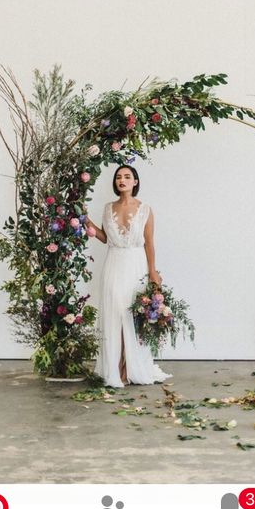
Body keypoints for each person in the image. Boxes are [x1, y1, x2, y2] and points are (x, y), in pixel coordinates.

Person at [86, 165, 172, 388]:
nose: (121, 180)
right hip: (114, 263)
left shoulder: (145, 209)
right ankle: (114, 367)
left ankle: (129, 366)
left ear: (135, 181)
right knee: (114, 312)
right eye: (118, 177)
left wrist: (153, 272)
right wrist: (88, 223)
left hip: (136, 265)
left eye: (126, 177)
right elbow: (106, 238)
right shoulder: (107, 208)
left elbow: (149, 243)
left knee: (131, 313)